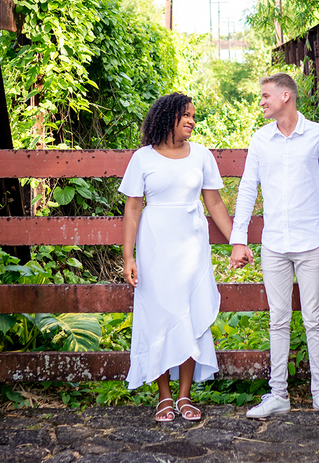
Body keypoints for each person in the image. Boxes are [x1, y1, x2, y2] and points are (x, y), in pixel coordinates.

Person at [121, 92, 249, 422]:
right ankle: (163, 397)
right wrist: (128, 256)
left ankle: (184, 395)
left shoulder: (202, 156)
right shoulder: (143, 158)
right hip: (155, 246)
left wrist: (238, 240)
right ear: (168, 118)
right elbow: (133, 208)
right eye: (186, 115)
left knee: (189, 316)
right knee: (159, 316)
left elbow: (216, 204)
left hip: (192, 246)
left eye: (194, 115)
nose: (192, 120)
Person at [230, 73, 319, 421]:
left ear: (285, 96)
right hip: (274, 246)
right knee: (278, 321)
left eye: (265, 96)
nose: (261, 101)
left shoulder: (318, 135)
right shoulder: (260, 140)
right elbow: (248, 188)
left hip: (312, 244)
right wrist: (239, 239)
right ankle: (277, 394)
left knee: (314, 320)